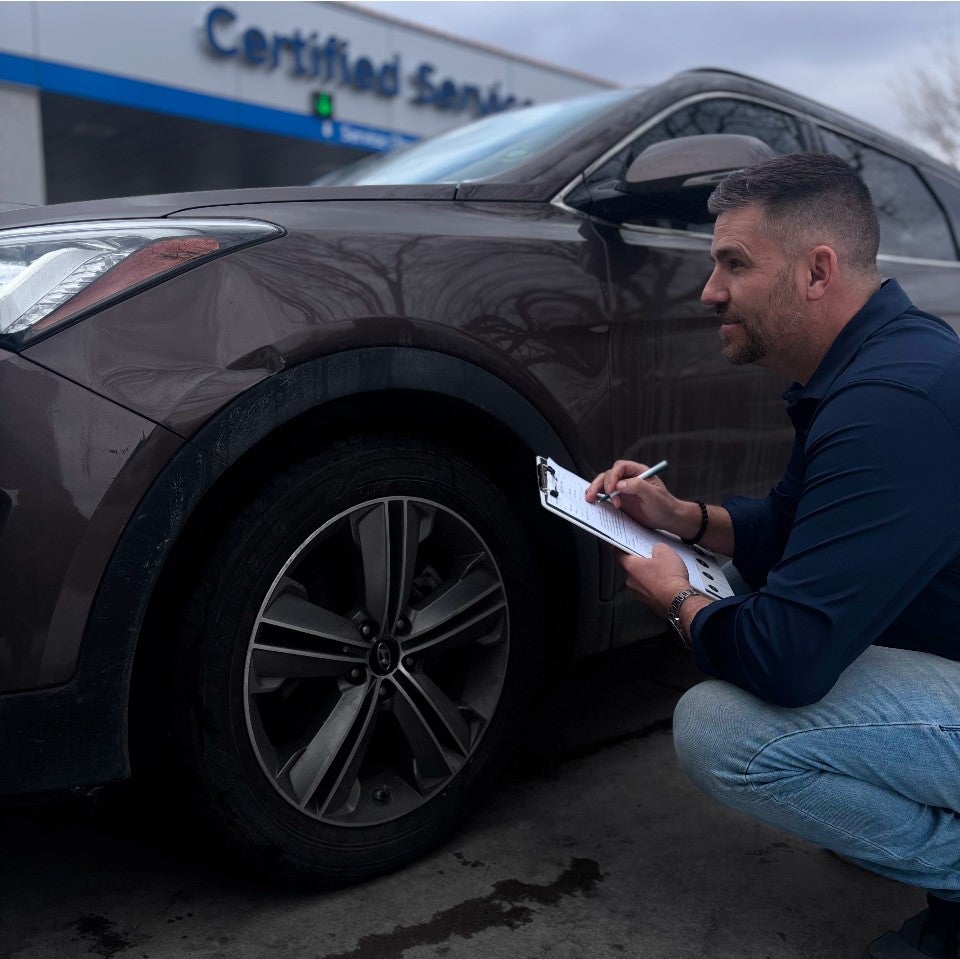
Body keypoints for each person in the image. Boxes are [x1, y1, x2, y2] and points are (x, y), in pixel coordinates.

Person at [586, 152, 960, 959]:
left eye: (734, 264)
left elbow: (785, 661)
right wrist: (682, 518)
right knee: (758, 591)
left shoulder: (888, 405)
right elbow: (796, 522)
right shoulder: (878, 359)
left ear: (817, 270)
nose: (709, 291)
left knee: (722, 727)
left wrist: (679, 599)